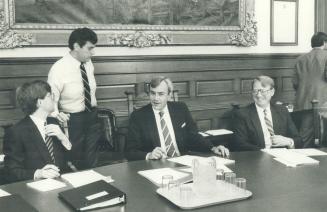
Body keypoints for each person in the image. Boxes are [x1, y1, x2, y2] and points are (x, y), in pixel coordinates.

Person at [126, 76, 229, 161]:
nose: (156, 98)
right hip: (156, 166)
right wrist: (149, 155)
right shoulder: (138, 116)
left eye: (161, 94)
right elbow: (129, 151)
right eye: (153, 93)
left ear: (169, 95)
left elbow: (194, 136)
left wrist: (213, 148)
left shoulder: (180, 109)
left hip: (182, 161)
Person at [48, 27, 101, 169]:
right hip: (72, 122)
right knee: (75, 161)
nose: (93, 52)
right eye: (90, 48)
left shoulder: (88, 64)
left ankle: (97, 186)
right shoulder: (58, 69)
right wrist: (57, 117)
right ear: (77, 46)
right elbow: (52, 102)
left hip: (92, 116)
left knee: (93, 158)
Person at [4, 81, 72, 183]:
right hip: (36, 187)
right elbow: (11, 171)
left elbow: (70, 161)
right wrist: (38, 173)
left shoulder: (54, 122)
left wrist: (63, 138)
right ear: (39, 102)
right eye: (50, 96)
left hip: (63, 182)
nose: (54, 99)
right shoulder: (16, 132)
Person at [232, 76, 302, 151]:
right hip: (257, 158)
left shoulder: (282, 111)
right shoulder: (243, 114)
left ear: (272, 92)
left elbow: (298, 140)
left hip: (282, 157)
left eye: (262, 91)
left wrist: (288, 141)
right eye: (255, 91)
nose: (258, 95)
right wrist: (264, 152)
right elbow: (239, 144)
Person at [293, 32, 327, 148]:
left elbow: (295, 83)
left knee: (305, 136)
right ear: (325, 43)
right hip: (323, 103)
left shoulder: (300, 59)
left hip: (303, 101)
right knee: (323, 137)